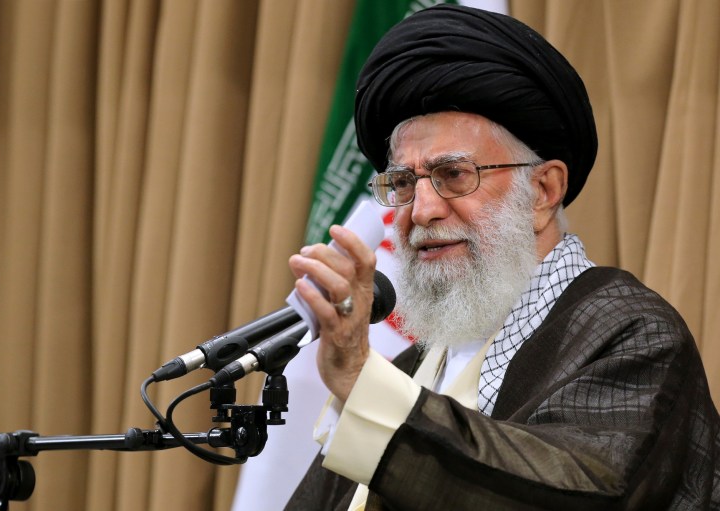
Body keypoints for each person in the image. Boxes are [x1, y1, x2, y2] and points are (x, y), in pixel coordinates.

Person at [285, 5, 720, 510]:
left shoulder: (630, 333)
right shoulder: (407, 369)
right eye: (403, 183)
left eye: (453, 174)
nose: (420, 210)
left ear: (542, 190)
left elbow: (569, 493)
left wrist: (362, 383)